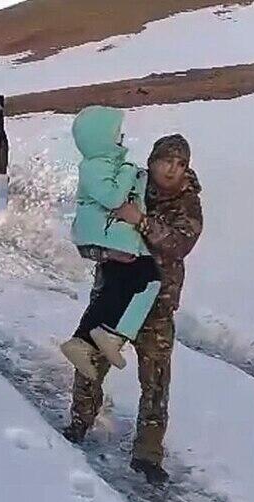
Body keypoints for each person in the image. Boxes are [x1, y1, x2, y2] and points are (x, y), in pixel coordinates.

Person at [64, 133, 203, 485]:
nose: (172, 169)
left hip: (156, 306)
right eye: (166, 161)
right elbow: (89, 231)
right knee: (90, 361)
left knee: (155, 382)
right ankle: (79, 423)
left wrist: (138, 219)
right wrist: (106, 253)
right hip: (116, 296)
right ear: (152, 160)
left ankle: (148, 455)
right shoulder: (126, 185)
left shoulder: (188, 204)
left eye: (180, 164)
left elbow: (178, 244)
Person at [61, 106, 162, 372]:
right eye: (116, 133)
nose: (122, 137)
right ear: (101, 136)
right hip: (107, 235)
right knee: (145, 277)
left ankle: (85, 340)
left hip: (111, 234)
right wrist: (129, 169)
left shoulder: (104, 164)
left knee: (119, 287)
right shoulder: (95, 167)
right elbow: (114, 198)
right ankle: (112, 336)